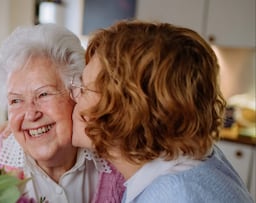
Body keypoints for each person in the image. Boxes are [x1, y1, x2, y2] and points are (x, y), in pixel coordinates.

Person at [70, 20, 253, 203]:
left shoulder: (173, 195)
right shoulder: (196, 161)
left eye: (85, 89)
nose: (74, 97)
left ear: (128, 110)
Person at [0, 23, 125, 203]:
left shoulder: (116, 158)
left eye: (44, 94)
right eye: (16, 101)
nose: (30, 114)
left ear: (77, 92)